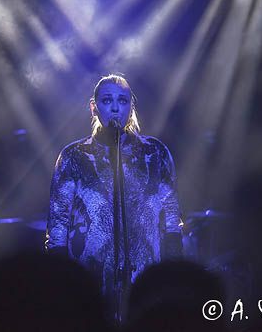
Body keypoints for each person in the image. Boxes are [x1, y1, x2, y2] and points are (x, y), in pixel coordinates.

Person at [45, 74, 182, 321]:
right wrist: (62, 282)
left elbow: (171, 221)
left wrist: (171, 275)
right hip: (90, 280)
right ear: (94, 107)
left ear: (131, 107)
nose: (116, 107)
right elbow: (58, 227)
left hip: (146, 278)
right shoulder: (74, 156)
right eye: (107, 100)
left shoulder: (155, 153)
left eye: (123, 100)